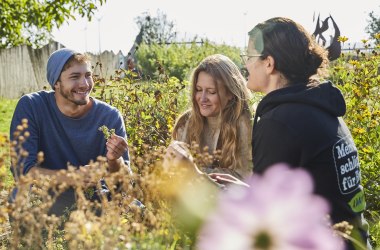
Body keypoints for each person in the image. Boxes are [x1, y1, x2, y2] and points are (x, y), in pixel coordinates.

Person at [235, 17, 370, 249]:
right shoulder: (316, 107)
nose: (245, 64)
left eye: (249, 56)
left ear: (269, 63)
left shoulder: (280, 122)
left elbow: (266, 219)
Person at [9, 48, 132, 216]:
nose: (85, 84)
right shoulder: (31, 106)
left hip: (95, 196)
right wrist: (72, 177)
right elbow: (23, 172)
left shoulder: (109, 116)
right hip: (48, 194)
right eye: (75, 77)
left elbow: (124, 183)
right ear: (56, 83)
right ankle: (34, 241)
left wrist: (114, 160)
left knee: (137, 212)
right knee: (19, 199)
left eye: (88, 75)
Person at [169, 54, 253, 179]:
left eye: (211, 91)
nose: (202, 99)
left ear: (230, 93)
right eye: (198, 89)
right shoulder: (186, 122)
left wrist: (196, 171)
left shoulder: (243, 125)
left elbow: (244, 179)